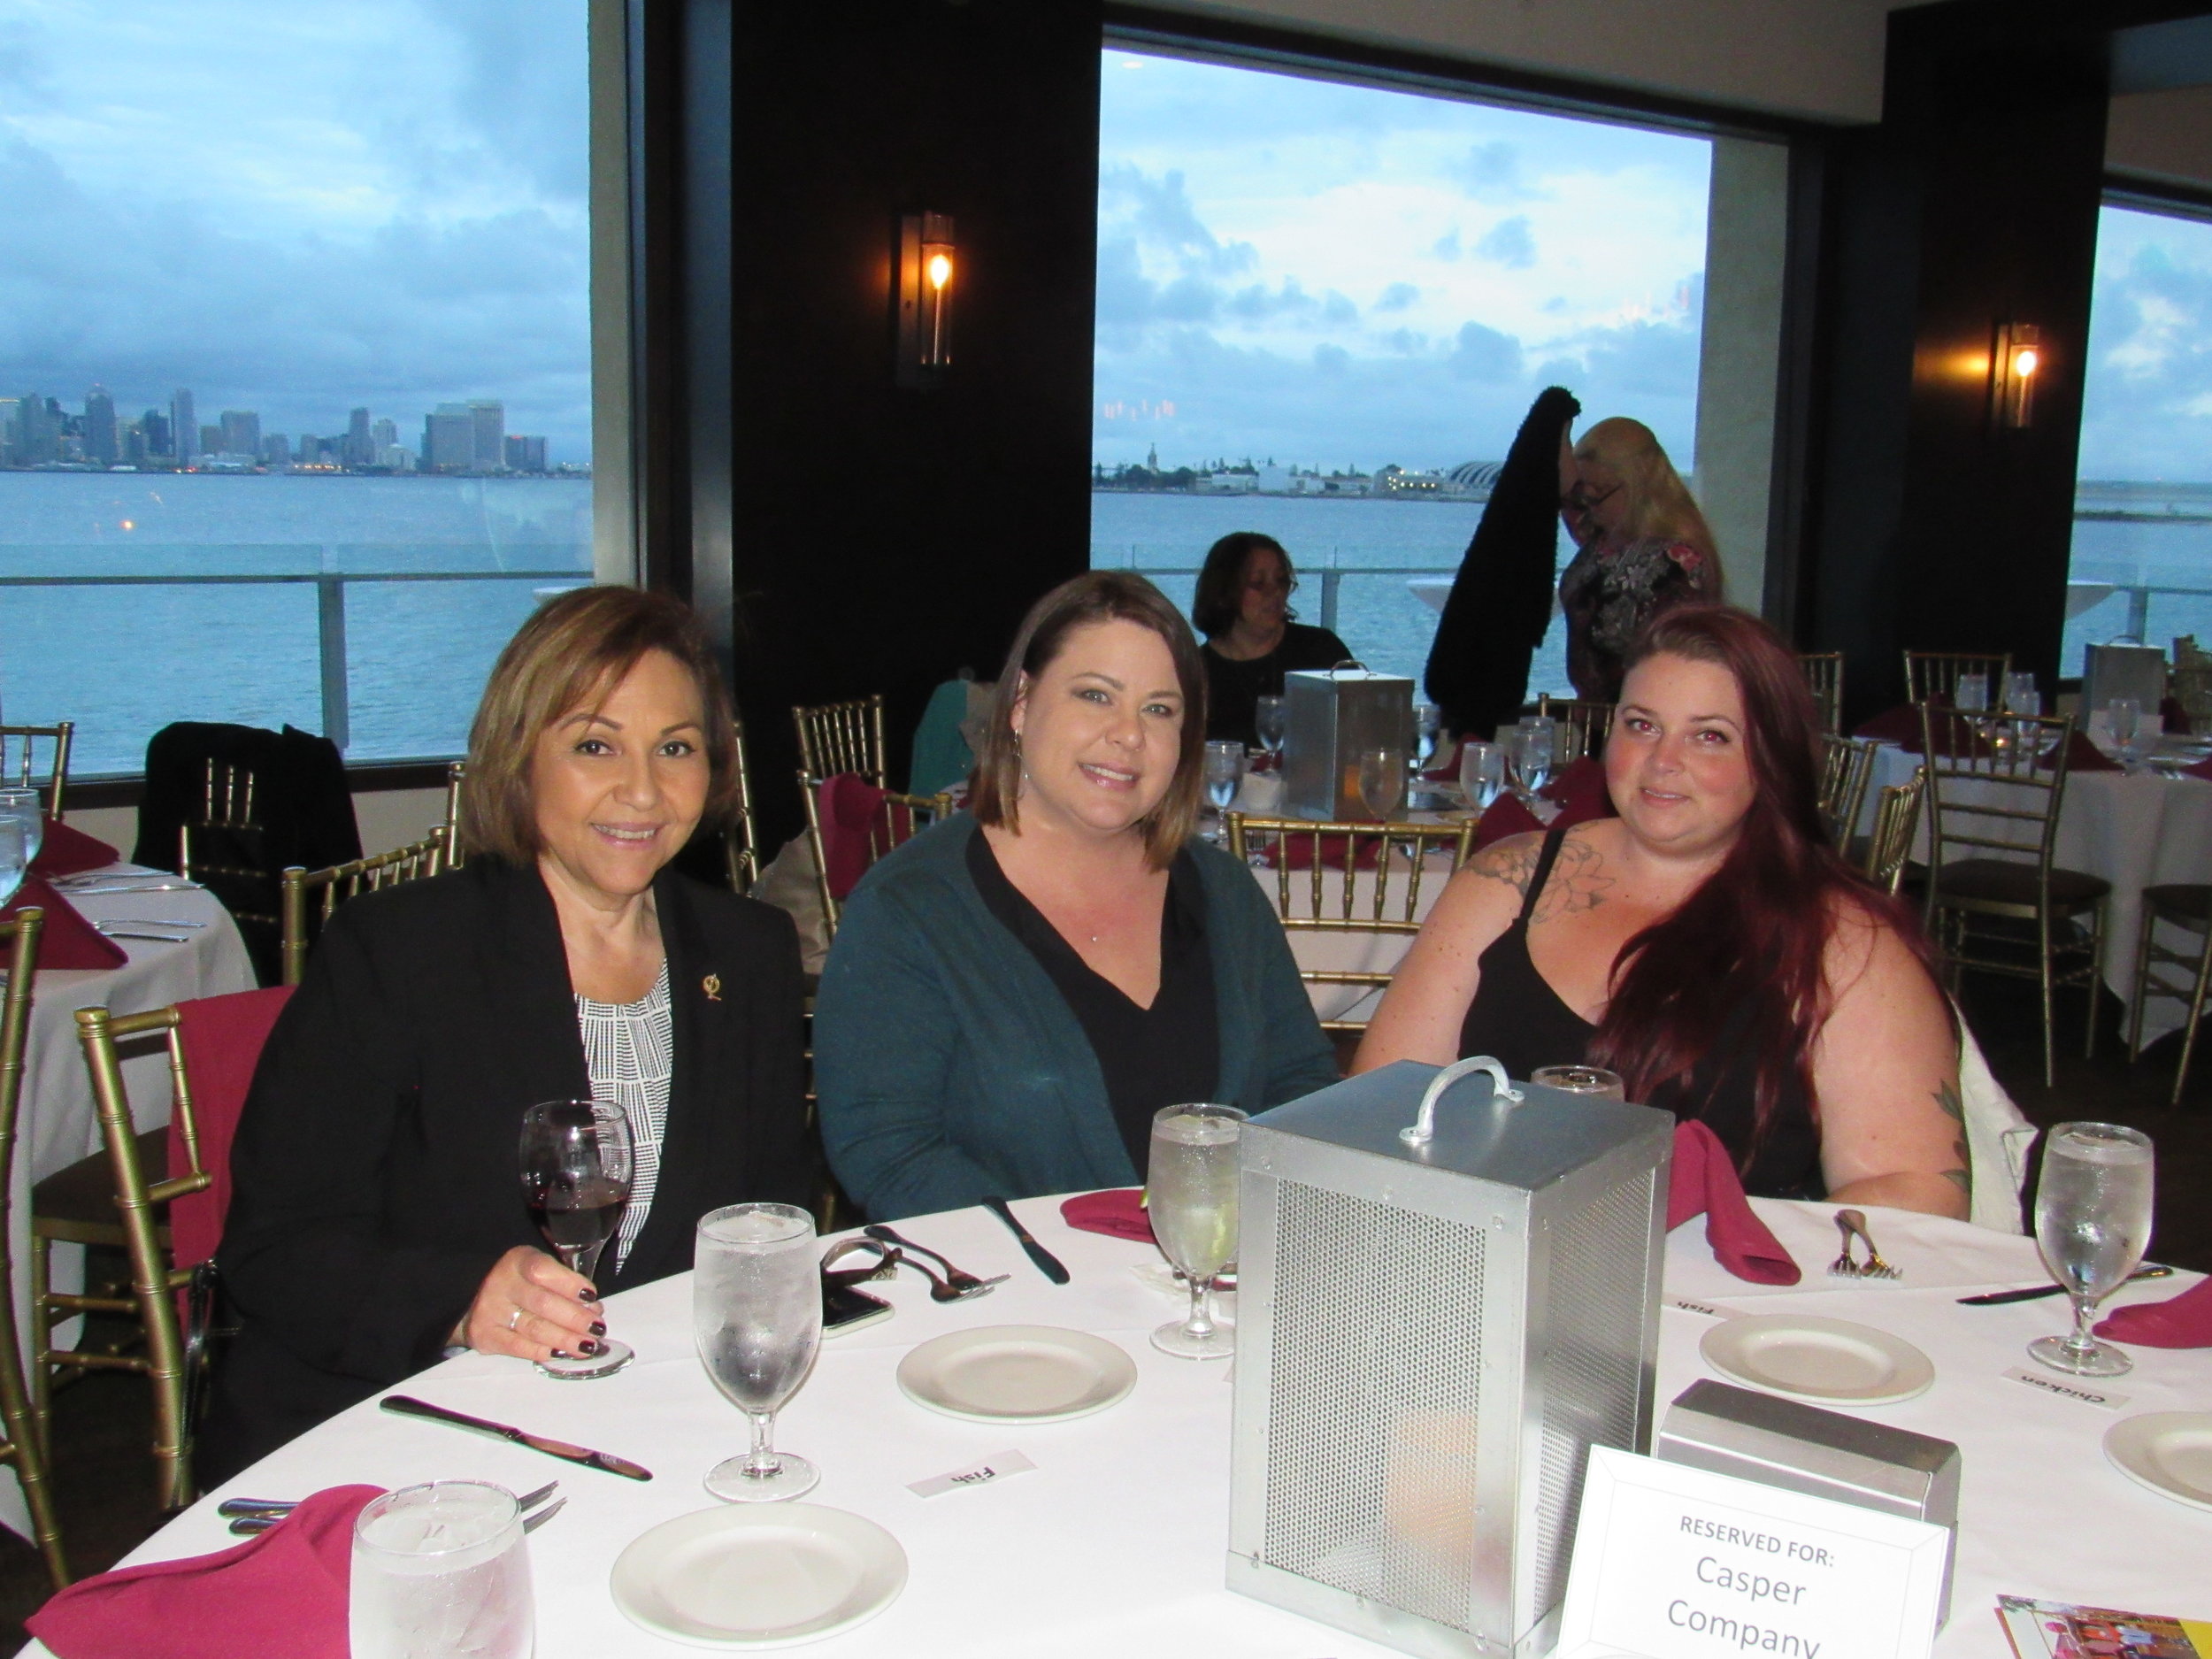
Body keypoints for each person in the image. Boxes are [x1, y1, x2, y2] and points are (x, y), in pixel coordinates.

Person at [205, 587, 813, 1478]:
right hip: (402, 1429)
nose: (642, 790)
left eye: (675, 748)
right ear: (521, 759)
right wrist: (458, 1301)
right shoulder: (399, 952)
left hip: (649, 1430)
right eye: (595, 745)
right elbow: (272, 1249)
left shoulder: (749, 953)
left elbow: (765, 1219)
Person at [1356, 604, 1968, 1217]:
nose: (1663, 760)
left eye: (1710, 735)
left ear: (1771, 757)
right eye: (1642, 724)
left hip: (1732, 1294)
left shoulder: (1845, 941)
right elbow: (1377, 1107)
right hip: (1489, 1270)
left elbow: (1916, 1192)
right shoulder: (1504, 882)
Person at [815, 570, 1340, 1221]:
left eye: (1159, 708)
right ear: (1021, 704)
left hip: (1216, 1293)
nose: (1129, 734)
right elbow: (887, 1150)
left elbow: (1303, 1083)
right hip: (1018, 1302)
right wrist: (1069, 1262)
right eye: (1096, 695)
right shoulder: (909, 908)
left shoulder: (1225, 892)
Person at [1558, 417, 1723, 703]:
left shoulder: (1678, 564)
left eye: (1599, 492)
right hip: (1595, 717)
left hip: (1646, 716)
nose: (1589, 502)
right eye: (1586, 491)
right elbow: (1566, 491)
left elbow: (1681, 664)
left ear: (1638, 486)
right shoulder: (1602, 537)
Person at [1191, 532, 1352, 748]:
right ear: (1224, 592)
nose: (1274, 592)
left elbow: (1364, 726)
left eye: (1281, 581)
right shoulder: (1196, 672)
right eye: (1258, 583)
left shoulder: (1321, 650)